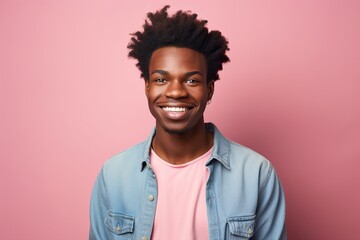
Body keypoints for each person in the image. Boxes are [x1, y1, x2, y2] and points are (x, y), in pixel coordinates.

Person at [89, 5, 286, 240]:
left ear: (209, 90)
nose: (175, 91)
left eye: (191, 80)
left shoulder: (257, 175)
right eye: (161, 79)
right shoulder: (113, 176)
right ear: (147, 87)